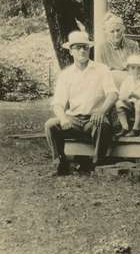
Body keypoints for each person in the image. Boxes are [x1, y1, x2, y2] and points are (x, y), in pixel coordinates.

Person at [44, 30, 118, 175]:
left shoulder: (101, 69)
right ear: (71, 51)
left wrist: (102, 111)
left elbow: (113, 94)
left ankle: (97, 163)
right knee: (51, 125)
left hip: (94, 118)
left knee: (102, 124)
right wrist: (64, 118)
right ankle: (61, 164)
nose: (82, 51)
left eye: (85, 47)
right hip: (74, 120)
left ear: (89, 49)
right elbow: (58, 103)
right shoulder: (66, 75)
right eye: (78, 47)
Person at [115, 54, 140, 137]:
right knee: (119, 103)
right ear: (128, 69)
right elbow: (122, 94)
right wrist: (126, 98)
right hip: (130, 105)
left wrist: (135, 95)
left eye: (139, 68)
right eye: (133, 68)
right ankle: (125, 127)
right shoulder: (128, 80)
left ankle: (136, 128)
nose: (136, 70)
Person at [98, 12, 139, 88]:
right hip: (112, 84)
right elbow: (101, 71)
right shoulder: (103, 48)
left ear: (123, 29)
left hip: (132, 80)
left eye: (118, 30)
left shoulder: (132, 45)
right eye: (112, 31)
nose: (116, 34)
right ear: (106, 32)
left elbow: (138, 68)